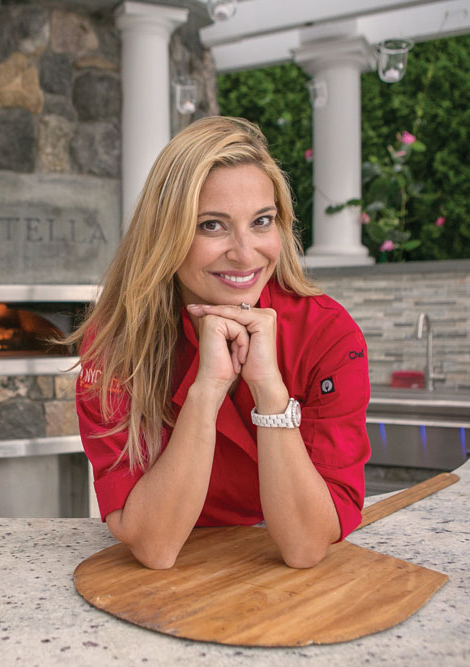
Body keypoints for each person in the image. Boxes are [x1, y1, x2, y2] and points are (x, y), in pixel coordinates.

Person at [68, 116, 370, 570]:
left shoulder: (328, 334)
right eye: (212, 225)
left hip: (274, 575)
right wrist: (208, 388)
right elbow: (155, 547)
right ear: (165, 233)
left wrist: (269, 389)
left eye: (261, 222)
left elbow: (307, 546)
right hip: (175, 572)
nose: (246, 254)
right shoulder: (116, 346)